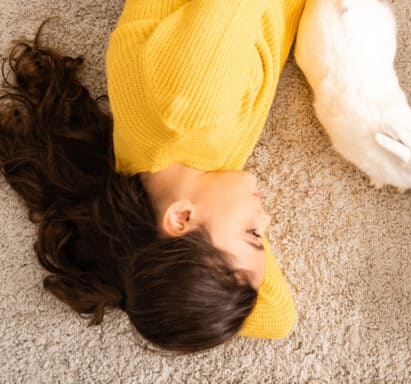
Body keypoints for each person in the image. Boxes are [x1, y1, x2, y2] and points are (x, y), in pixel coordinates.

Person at [0, 0, 305, 352]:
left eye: (253, 234)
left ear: (182, 216)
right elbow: (277, 319)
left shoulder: (194, 103)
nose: (265, 220)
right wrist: (187, 287)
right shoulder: (154, 183)